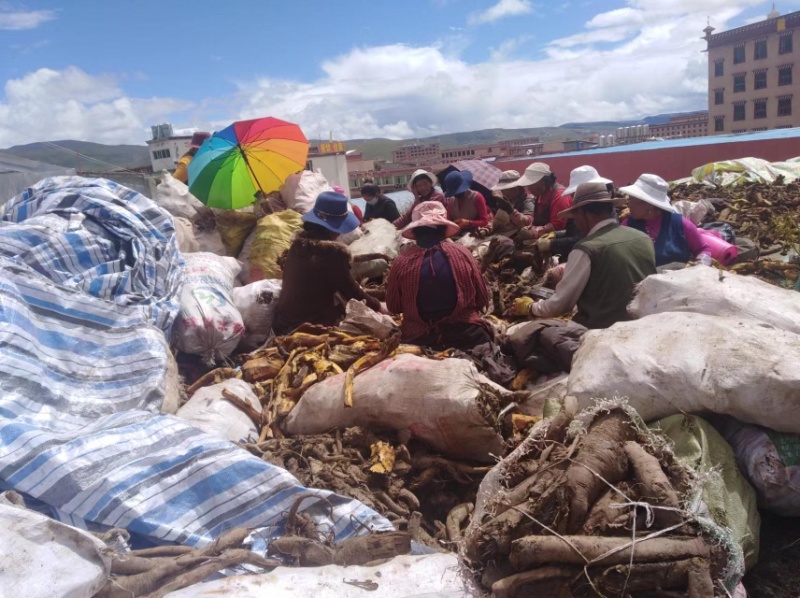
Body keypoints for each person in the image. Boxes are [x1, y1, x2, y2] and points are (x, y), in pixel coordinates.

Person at [511, 182, 656, 330]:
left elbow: (560, 305)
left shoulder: (585, 249)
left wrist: (530, 307)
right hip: (643, 325)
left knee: (523, 337)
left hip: (602, 331)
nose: (576, 222)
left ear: (585, 214)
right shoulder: (643, 238)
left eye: (575, 216)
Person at [272, 191, 381, 335]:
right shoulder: (332, 254)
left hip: (282, 323)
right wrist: (378, 306)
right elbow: (351, 292)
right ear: (332, 229)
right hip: (310, 328)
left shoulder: (297, 246)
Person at [386, 201, 491, 350]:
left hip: (420, 339)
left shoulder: (401, 261)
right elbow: (482, 298)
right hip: (467, 336)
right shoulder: (463, 253)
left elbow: (394, 306)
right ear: (443, 229)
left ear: (415, 232)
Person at [620, 174, 713, 267]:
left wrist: (701, 265)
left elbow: (703, 249)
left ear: (649, 204)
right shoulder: (627, 226)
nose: (629, 205)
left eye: (633, 201)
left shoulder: (680, 224)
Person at [496, 162, 570, 237]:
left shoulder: (560, 195)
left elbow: (557, 226)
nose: (528, 188)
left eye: (531, 184)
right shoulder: (540, 195)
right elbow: (533, 220)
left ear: (543, 181)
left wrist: (533, 232)